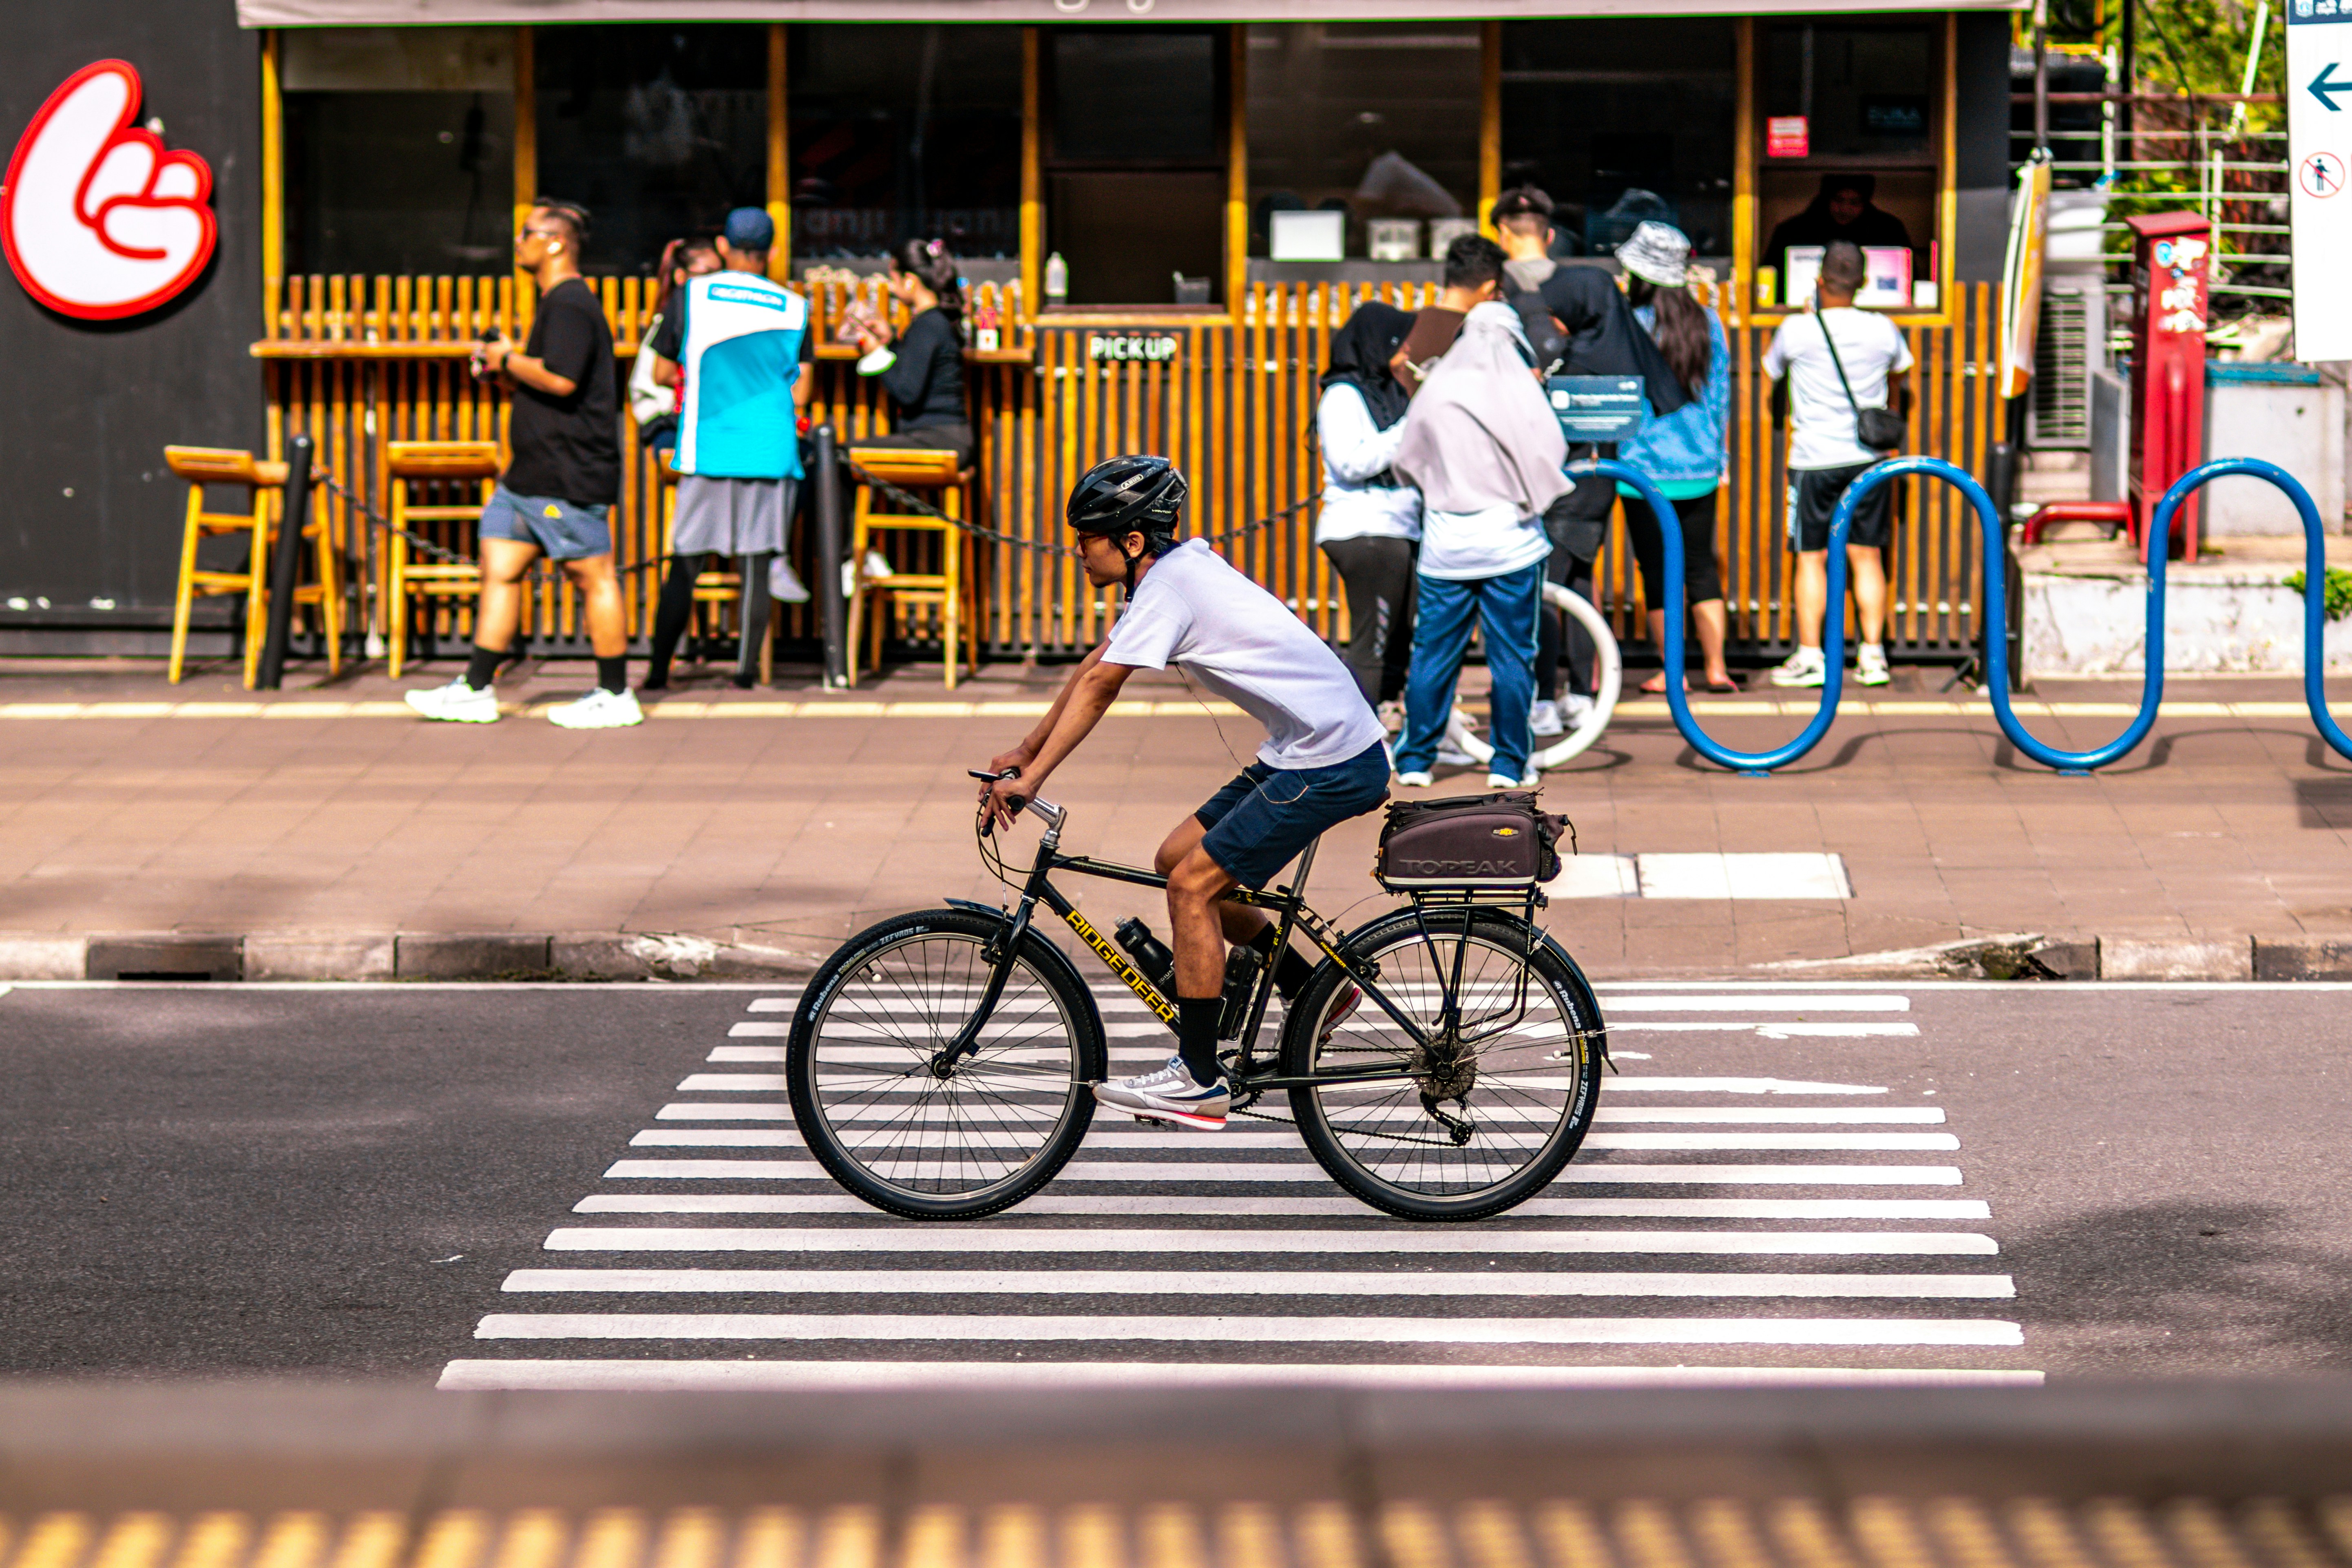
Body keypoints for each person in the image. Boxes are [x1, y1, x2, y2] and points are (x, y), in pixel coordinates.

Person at [978, 456, 1390, 1131]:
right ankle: (1313, 988)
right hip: (1306, 748)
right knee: (1177, 860)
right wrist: (1025, 754)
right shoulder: (1171, 575)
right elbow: (1094, 668)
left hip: (1333, 760)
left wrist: (1034, 780)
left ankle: (1198, 1080)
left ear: (1131, 542)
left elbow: (1103, 688)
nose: (1075, 550)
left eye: (1087, 537)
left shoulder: (1170, 587)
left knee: (1191, 889)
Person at [407, 199, 636, 729]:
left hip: (567, 473)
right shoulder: (555, 303)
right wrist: (502, 369)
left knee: (592, 574)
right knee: (501, 569)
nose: (518, 241)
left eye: (527, 233)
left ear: (555, 242)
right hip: (528, 475)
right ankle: (476, 688)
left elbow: (562, 379)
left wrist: (506, 357)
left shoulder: (572, 303)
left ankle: (617, 694)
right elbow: (546, 380)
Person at [1487, 186, 1692, 739]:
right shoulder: (1594, 287)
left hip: (1536, 468)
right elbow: (1637, 361)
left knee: (1547, 579)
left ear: (1503, 233)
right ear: (1549, 233)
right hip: (1597, 464)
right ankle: (1577, 691)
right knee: (1575, 578)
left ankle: (1547, 694)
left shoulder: (1502, 294)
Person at [1388, 295, 1568, 793]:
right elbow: (1551, 450)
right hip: (1510, 542)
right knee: (1512, 656)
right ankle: (1510, 762)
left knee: (1432, 654)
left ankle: (1415, 759)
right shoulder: (1518, 388)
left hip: (1446, 545)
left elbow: (1407, 459)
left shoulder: (1437, 389)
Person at [639, 207, 814, 692]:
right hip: (769, 446)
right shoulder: (794, 306)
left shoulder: (692, 296)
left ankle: (657, 671)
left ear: (723, 246)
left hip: (708, 444)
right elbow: (802, 392)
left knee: (686, 559)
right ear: (772, 252)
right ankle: (745, 674)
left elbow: (657, 373)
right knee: (757, 562)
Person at [1762, 240, 1913, 689]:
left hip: (1812, 458)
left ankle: (1811, 655)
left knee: (1811, 557)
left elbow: (1770, 372)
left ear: (1819, 280)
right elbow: (1900, 373)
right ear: (1863, 282)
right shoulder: (1882, 328)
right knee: (1866, 556)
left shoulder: (1795, 329)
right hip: (1867, 458)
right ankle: (1872, 656)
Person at [1611, 221, 1737, 693]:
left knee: (1657, 568)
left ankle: (1673, 673)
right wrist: (1718, 454)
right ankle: (1717, 668)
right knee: (1700, 564)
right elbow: (1721, 394)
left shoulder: (1630, 324)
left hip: (1641, 471)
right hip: (1700, 466)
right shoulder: (1708, 323)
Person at [1314, 300, 1419, 717]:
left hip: (1399, 527)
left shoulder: (1390, 392)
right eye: (1401, 341)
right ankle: (1359, 739)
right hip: (1365, 530)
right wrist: (1410, 428)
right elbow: (1351, 463)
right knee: (1371, 641)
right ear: (1380, 343)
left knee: (1400, 637)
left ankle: (1388, 715)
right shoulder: (1342, 396)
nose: (1409, 351)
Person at [848, 238, 972, 467]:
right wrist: (891, 342)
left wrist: (877, 354)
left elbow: (907, 392)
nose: (892, 288)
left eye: (894, 280)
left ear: (910, 281)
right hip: (944, 438)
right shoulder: (934, 322)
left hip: (937, 440)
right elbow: (916, 367)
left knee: (842, 456)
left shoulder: (928, 325)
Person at [626, 237, 720, 459]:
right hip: (670, 419)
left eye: (720, 275)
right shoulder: (672, 319)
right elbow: (663, 375)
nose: (715, 283)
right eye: (707, 274)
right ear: (681, 277)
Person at [1764, 173, 1914, 289]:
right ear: (1827, 199)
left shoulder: (1888, 230)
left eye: (1854, 203)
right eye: (1838, 200)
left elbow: (1910, 282)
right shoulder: (1793, 231)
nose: (1845, 209)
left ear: (1866, 203)